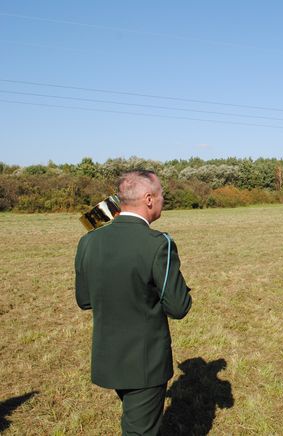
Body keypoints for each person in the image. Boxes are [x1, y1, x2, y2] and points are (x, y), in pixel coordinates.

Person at [75, 170, 192, 435]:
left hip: (108, 359)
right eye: (162, 194)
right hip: (144, 363)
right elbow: (179, 306)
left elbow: (84, 300)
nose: (164, 199)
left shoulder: (88, 241)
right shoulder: (158, 244)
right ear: (149, 199)